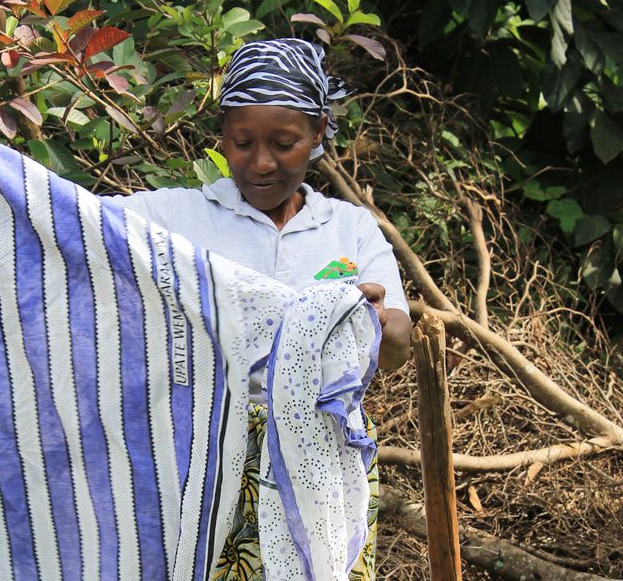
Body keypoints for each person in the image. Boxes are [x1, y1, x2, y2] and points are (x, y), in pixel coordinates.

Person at [109, 38, 411, 579]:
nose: (262, 162)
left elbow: (396, 351)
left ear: (318, 133)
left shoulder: (349, 229)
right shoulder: (174, 218)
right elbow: (64, 222)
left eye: (285, 142)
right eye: (242, 142)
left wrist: (370, 317)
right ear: (222, 136)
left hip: (321, 465)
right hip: (203, 465)